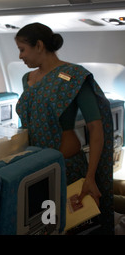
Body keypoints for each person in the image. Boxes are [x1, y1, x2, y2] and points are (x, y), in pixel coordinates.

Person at [14, 22, 114, 234]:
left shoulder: (74, 77)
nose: (20, 56)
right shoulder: (27, 79)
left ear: (39, 45)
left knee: (72, 227)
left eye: (22, 49)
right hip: (37, 170)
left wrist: (90, 177)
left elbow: (96, 129)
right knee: (46, 227)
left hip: (68, 169)